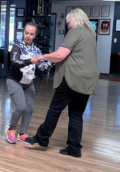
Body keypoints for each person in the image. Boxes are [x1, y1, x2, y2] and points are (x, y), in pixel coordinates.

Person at [25, 9, 99, 157]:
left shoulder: (75, 32)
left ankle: (42, 138)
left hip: (73, 77)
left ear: (76, 20)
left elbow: (59, 55)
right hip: (88, 80)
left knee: (54, 109)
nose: (68, 26)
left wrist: (42, 56)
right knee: (76, 114)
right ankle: (74, 148)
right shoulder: (90, 34)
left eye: (69, 22)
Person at [6, 22, 53, 144]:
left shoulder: (36, 50)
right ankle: (11, 130)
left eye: (31, 34)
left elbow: (42, 67)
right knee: (21, 107)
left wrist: (54, 60)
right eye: (26, 33)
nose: (28, 36)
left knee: (29, 108)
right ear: (23, 32)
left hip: (28, 83)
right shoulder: (17, 45)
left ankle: (22, 133)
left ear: (35, 35)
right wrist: (30, 61)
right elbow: (14, 62)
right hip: (14, 81)